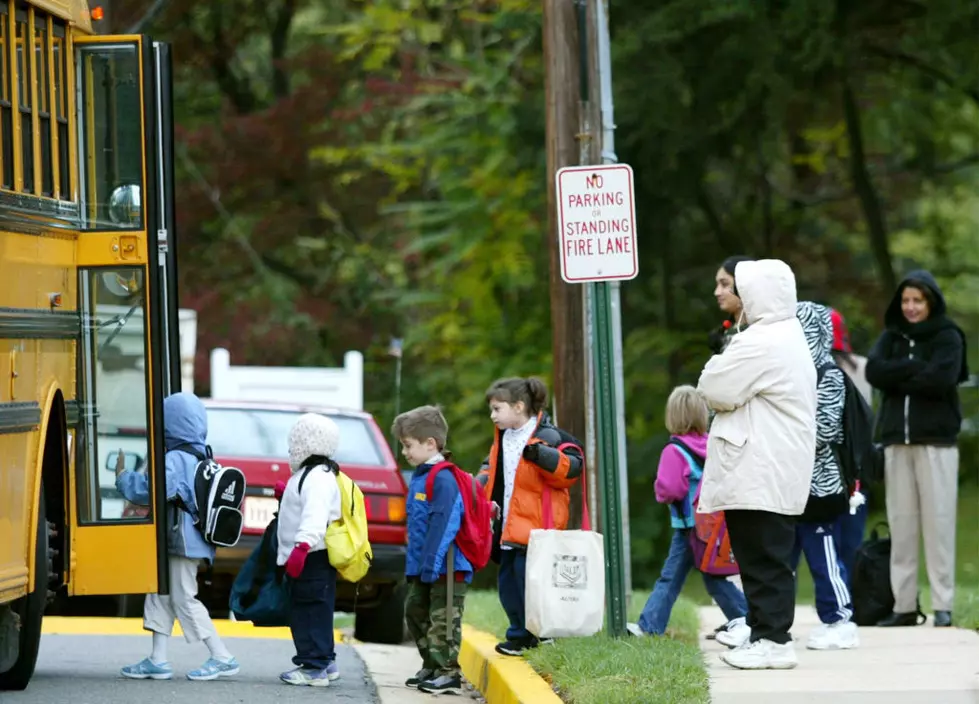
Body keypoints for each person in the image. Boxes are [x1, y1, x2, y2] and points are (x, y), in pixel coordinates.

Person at [697, 259, 817, 670]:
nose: (735, 298)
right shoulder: (786, 335)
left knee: (763, 556)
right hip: (769, 464)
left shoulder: (762, 340)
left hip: (760, 464)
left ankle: (774, 641)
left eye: (742, 290)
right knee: (763, 556)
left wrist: (717, 368)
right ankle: (765, 632)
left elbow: (713, 387)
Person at [865, 270, 968, 628]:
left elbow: (941, 378)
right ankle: (904, 606)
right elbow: (874, 372)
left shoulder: (948, 337)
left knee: (939, 525)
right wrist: (911, 368)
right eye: (906, 300)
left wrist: (900, 377)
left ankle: (943, 604)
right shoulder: (891, 337)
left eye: (917, 301)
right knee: (902, 525)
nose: (910, 307)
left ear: (930, 302)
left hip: (936, 445)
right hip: (897, 443)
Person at [116, 392, 239, 681]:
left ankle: (222, 655)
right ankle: (157, 659)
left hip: (183, 542)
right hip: (189, 540)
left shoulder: (175, 458)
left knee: (184, 598)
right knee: (161, 592)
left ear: (169, 424)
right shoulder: (202, 455)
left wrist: (122, 476)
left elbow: (150, 490)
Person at [626, 386, 748, 641]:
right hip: (713, 524)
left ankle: (649, 627)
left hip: (688, 526)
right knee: (713, 577)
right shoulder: (711, 444)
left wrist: (660, 492)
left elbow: (670, 489)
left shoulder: (675, 451)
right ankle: (747, 618)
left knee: (672, 579)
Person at [478, 376, 583, 656]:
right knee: (508, 584)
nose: (493, 416)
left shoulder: (549, 436)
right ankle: (519, 634)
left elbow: (571, 471)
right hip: (507, 527)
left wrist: (542, 456)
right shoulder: (502, 439)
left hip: (537, 528)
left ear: (518, 406)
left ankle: (542, 632)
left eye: (497, 409)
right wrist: (476, 486)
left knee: (532, 584)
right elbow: (491, 471)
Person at [791, 301, 858, 650]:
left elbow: (824, 430)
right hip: (789, 485)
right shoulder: (791, 374)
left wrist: (784, 432)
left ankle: (839, 620)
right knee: (782, 560)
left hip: (821, 486)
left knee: (824, 558)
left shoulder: (829, 376)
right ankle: (771, 623)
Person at [394, 405, 472, 696]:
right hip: (425, 565)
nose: (405, 452)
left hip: (447, 567)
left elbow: (445, 524)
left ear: (430, 444)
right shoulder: (421, 475)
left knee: (444, 620)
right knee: (415, 610)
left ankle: (448, 672)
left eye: (408, 445)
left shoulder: (442, 478)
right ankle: (432, 664)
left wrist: (431, 563)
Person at [277, 413, 342, 686]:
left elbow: (315, 515)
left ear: (308, 444)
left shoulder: (317, 477)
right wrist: (286, 496)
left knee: (307, 611)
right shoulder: (312, 474)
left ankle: (312, 666)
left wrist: (301, 548)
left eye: (296, 443)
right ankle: (325, 662)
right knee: (318, 609)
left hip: (310, 556)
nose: (292, 448)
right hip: (310, 556)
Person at [829, 308, 871, 586]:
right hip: (859, 462)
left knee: (825, 536)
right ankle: (851, 594)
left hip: (828, 464)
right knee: (852, 535)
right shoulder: (863, 367)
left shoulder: (814, 368)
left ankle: (836, 594)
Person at [708, 255, 755, 354]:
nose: (717, 292)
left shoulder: (762, 334)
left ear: (744, 286)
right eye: (717, 285)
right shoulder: (725, 333)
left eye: (724, 284)